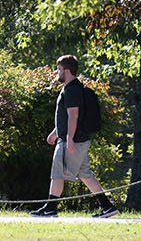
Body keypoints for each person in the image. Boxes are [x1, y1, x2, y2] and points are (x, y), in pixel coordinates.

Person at [29, 55, 120, 218]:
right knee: (85, 174)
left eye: (59, 69)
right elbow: (65, 116)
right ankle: (107, 207)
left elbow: (73, 115)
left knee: (57, 172)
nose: (57, 72)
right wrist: (55, 132)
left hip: (72, 140)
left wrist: (69, 139)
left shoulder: (71, 90)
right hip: (75, 139)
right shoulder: (72, 88)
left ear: (67, 70)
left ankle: (50, 209)